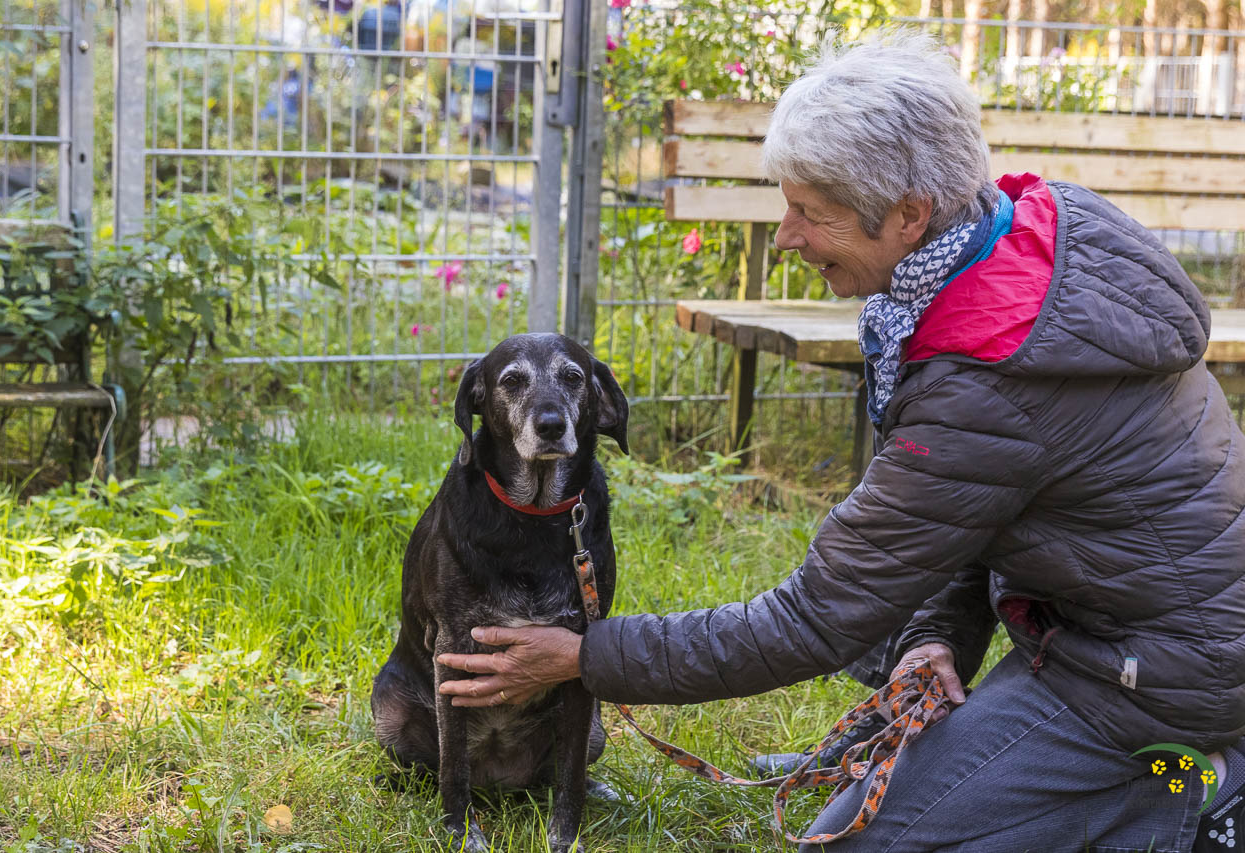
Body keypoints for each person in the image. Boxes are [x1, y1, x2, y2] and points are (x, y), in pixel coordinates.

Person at [437, 30, 1245, 852]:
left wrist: (585, 654)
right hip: (1118, 632)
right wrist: (934, 636)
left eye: (812, 214)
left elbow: (813, 617)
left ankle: (1196, 794)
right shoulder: (1004, 259)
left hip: (1160, 679)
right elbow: (978, 502)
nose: (787, 234)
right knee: (885, 799)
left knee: (857, 843)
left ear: (909, 215)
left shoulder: (988, 380)